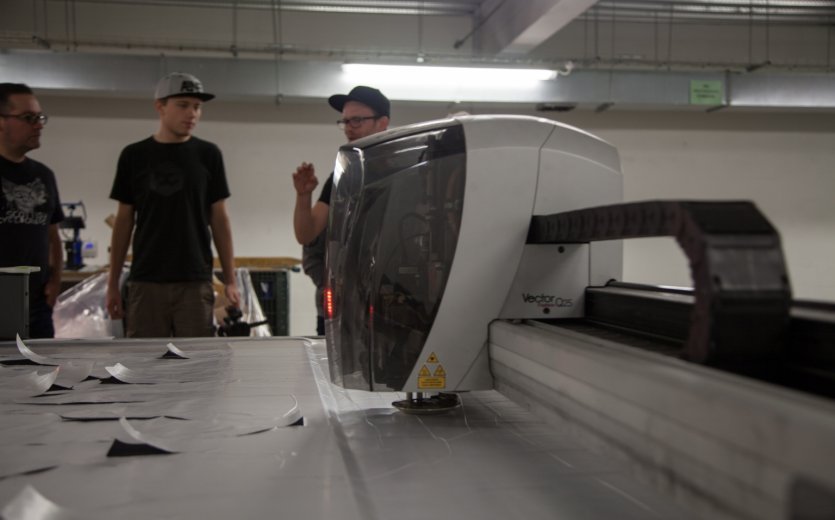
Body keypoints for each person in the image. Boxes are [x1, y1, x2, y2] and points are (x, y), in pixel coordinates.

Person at [105, 72, 241, 338]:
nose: (192, 113)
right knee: (144, 365)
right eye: (183, 105)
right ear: (160, 107)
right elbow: (123, 222)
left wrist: (230, 280)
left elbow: (220, 220)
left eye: (197, 107)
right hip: (146, 279)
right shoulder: (134, 156)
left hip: (194, 280)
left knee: (196, 365)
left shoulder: (208, 155)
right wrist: (112, 284)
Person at [293, 86, 391, 335]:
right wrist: (304, 196)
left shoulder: (403, 174)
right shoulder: (341, 177)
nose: (349, 127)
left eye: (357, 120)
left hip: (388, 304)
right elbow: (307, 234)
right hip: (340, 306)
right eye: (345, 121)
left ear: (382, 123)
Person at [0, 83, 65, 338]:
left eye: (39, 117)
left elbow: (52, 236)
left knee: (42, 374)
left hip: (37, 304)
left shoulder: (43, 175)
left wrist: (56, 279)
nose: (38, 124)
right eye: (29, 118)